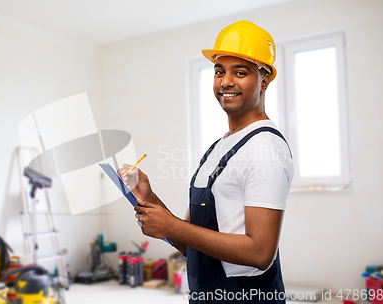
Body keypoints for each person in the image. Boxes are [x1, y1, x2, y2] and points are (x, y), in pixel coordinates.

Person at [120, 20, 293, 303]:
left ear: (265, 80)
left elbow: (261, 254)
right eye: (219, 71)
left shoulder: (265, 148)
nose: (226, 81)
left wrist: (171, 226)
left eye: (240, 72)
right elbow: (191, 244)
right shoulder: (220, 147)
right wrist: (148, 196)